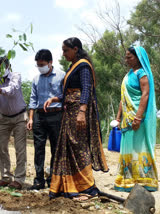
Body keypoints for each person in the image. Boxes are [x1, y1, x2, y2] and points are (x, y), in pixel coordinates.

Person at [44, 37, 108, 200]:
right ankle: (70, 185)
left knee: (78, 146)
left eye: (66, 50)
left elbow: (86, 88)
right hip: (69, 112)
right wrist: (56, 99)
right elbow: (70, 92)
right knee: (69, 147)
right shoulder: (72, 67)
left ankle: (86, 186)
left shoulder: (83, 66)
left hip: (78, 112)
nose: (63, 53)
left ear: (76, 49)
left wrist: (82, 112)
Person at [114, 46, 158, 192]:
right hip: (127, 119)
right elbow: (123, 98)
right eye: (126, 57)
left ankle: (144, 181)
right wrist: (118, 117)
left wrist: (138, 117)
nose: (126, 60)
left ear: (138, 58)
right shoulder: (128, 75)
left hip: (137, 118)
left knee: (139, 148)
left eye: (129, 57)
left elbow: (145, 94)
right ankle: (128, 179)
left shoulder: (142, 73)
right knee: (128, 148)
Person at [27, 49, 65, 190]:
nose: (40, 67)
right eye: (38, 65)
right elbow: (33, 99)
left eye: (42, 64)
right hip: (39, 116)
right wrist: (31, 118)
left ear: (50, 62)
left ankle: (53, 179)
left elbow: (66, 96)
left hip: (56, 115)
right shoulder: (36, 79)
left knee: (56, 148)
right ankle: (38, 180)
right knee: (38, 148)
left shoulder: (62, 76)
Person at [0, 56, 27, 190]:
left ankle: (19, 179)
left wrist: (0, 90)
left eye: (3, 67)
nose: (1, 70)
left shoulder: (16, 76)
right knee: (2, 148)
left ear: (8, 67)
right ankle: (5, 177)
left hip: (19, 117)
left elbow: (12, 89)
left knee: (20, 149)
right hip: (3, 118)